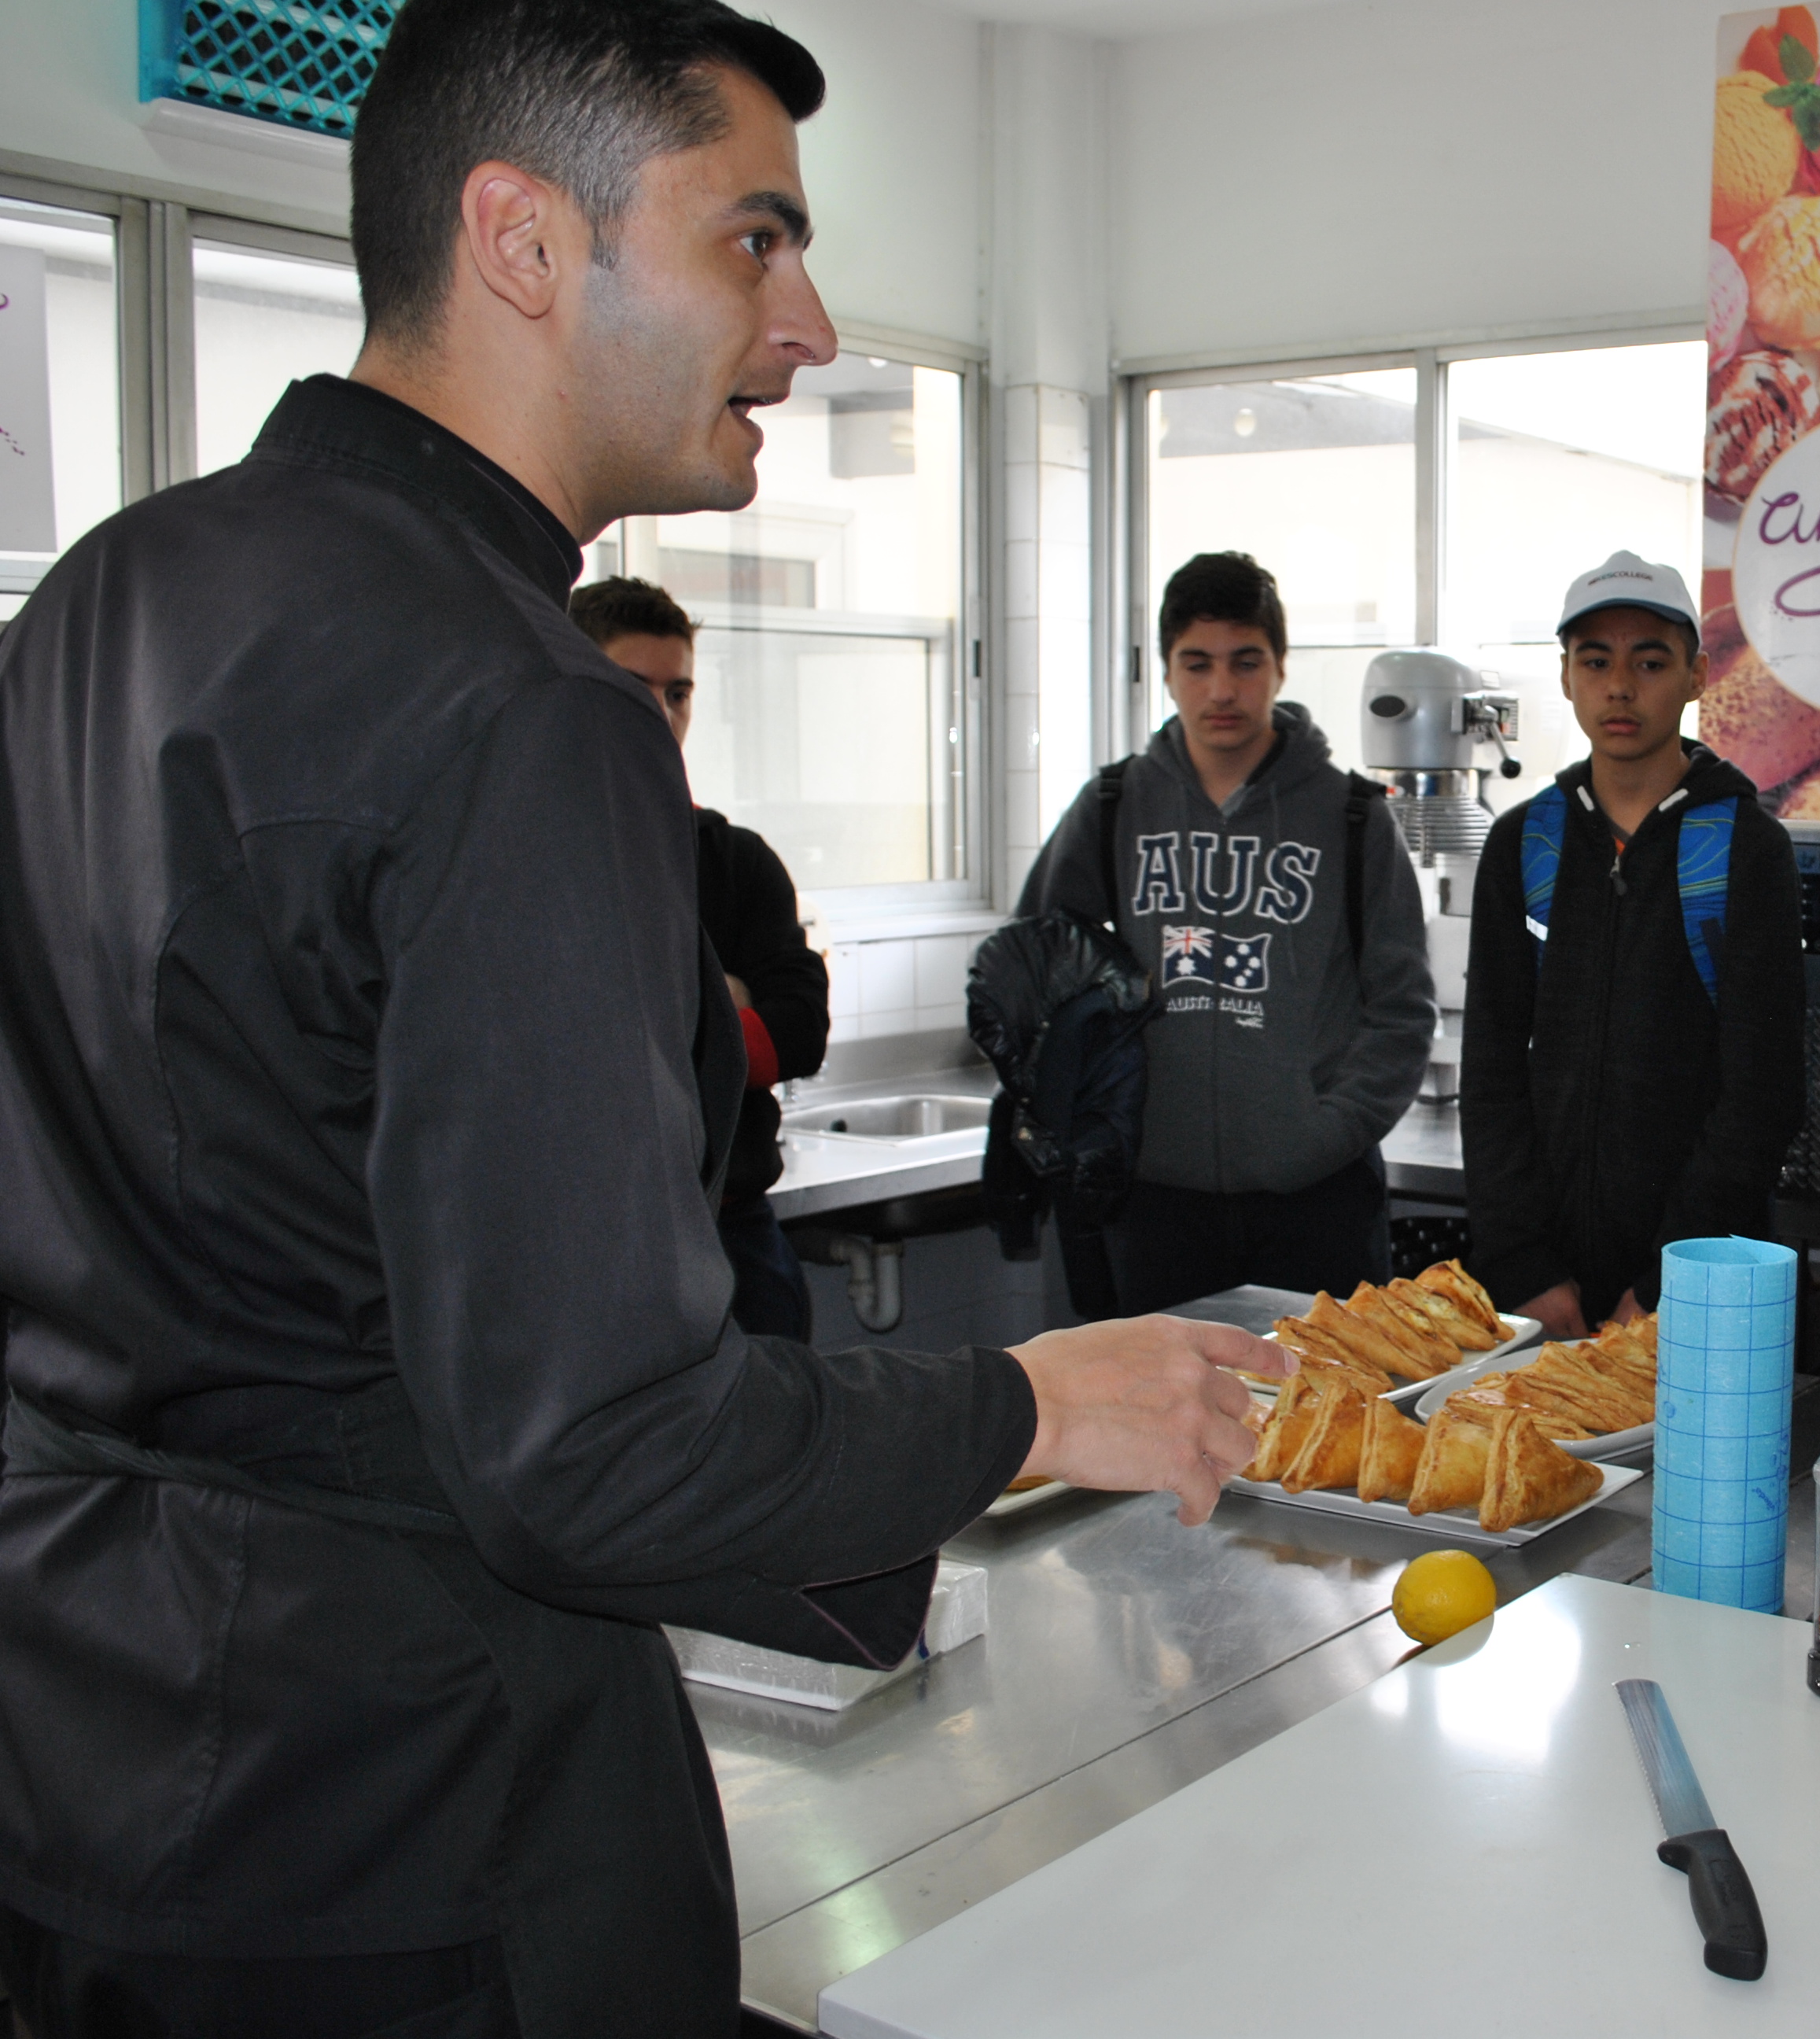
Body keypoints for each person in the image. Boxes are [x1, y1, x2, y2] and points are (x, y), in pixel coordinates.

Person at [0, 5, 1276, 2032]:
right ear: (523, 240)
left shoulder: (102, 597)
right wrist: (1035, 1400)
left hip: (83, 1759)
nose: (812, 326)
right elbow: (591, 1443)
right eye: (754, 240)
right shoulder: (520, 703)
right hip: (411, 1808)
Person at [1022, 551, 1436, 1314]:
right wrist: (1099, 1120)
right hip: (1153, 1205)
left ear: (1279, 667)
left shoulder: (1352, 816)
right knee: (1160, 1396)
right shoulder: (1112, 806)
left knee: (1326, 1394)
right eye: (1197, 663)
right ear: (1166, 671)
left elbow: (1402, 1011)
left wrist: (1323, 1134)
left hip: (1318, 1200)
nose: (1221, 690)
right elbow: (1031, 980)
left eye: (1245, 662)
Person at [1463, 552, 1806, 1339]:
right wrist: (1525, 1268)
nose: (1619, 687)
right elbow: (1490, 1074)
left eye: (1649, 662)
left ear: (1696, 676)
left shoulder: (1747, 849)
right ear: (1565, 676)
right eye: (1595, 661)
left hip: (1701, 1284)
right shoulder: (1523, 845)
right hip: (1541, 1289)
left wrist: (1662, 1286)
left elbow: (1762, 1094)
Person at [571, 573, 827, 1340]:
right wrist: (724, 998)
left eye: (677, 692)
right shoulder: (529, 855)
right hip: (589, 1240)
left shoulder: (734, 862)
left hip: (732, 1232)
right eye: (631, 688)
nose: (659, 713)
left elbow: (798, 1034)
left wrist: (667, 1015)